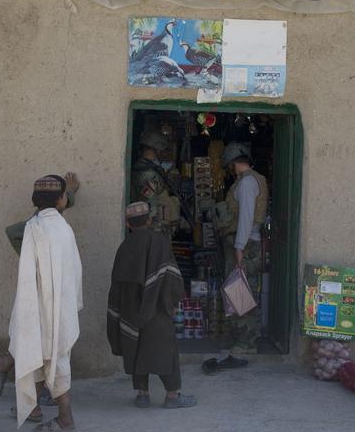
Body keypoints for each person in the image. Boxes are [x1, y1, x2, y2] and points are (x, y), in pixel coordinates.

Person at [0, 172, 80, 408]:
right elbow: (15, 232)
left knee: (40, 343)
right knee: (43, 343)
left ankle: (31, 400)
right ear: (59, 199)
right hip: (44, 293)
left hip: (50, 294)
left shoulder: (52, 223)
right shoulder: (38, 226)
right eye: (64, 196)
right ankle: (58, 412)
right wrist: (31, 259)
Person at [107, 202, 196, 409]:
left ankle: (142, 394)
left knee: (136, 347)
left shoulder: (124, 247)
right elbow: (170, 276)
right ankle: (172, 396)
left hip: (130, 309)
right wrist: (173, 300)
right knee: (165, 349)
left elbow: (117, 285)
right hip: (157, 307)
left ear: (128, 224)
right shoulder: (159, 242)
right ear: (148, 221)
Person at [217, 143, 268, 355]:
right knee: (238, 290)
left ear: (232, 163)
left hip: (245, 245)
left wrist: (239, 247)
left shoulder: (247, 183)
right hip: (245, 242)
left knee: (242, 292)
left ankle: (246, 342)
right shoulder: (251, 179)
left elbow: (246, 218)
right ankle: (240, 338)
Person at [131, 130, 179, 236]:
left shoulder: (148, 168)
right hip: (155, 231)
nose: (163, 153)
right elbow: (150, 206)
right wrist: (158, 229)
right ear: (156, 149)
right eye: (162, 150)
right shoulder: (148, 174)